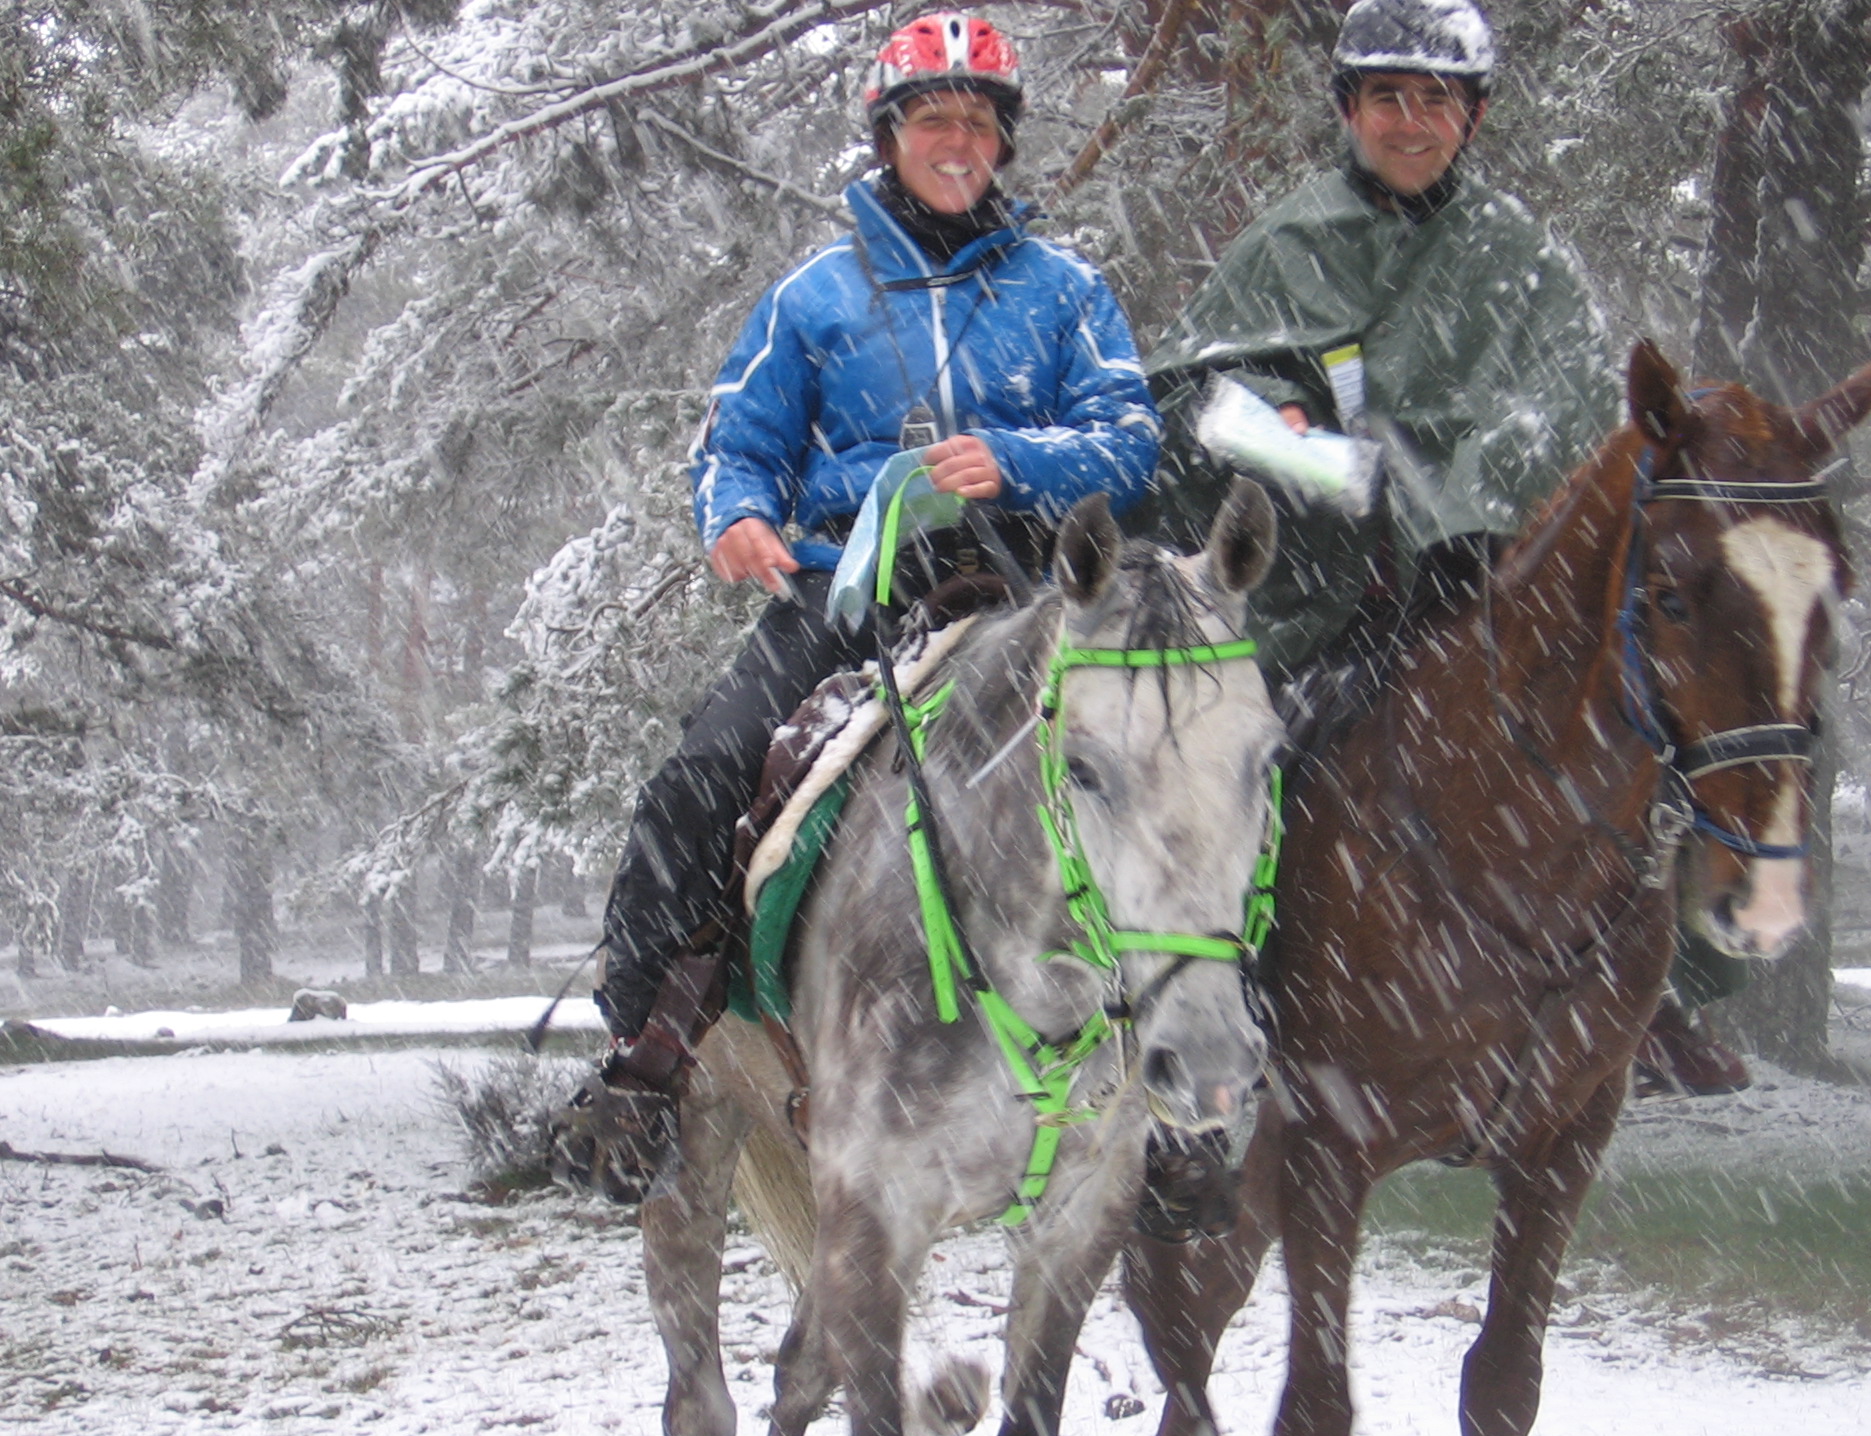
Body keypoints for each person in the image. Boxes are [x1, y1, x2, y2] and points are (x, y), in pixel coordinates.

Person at [1129, 0, 1742, 1234]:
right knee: (1242, 766)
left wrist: (1461, 503)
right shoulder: (1285, 245)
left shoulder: (1520, 257)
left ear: (1469, 117)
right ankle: (1211, 1009)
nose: (1411, 122)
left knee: (1647, 735)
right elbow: (1206, 410)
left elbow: (1563, 426)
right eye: (1387, 99)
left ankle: (1657, 983)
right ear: (1349, 111)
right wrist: (1340, 474)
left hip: (1487, 586)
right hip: (1326, 595)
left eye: (1435, 101)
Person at [557, 13, 1163, 1201]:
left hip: (1026, 596)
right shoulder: (813, 298)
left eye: (977, 123)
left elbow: (1129, 438)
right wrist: (732, 516)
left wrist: (1017, 461)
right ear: (889, 138)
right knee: (703, 775)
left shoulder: (1066, 293)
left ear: (1002, 144)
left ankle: (1191, 1060)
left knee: (1179, 765)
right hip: (850, 597)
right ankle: (646, 1059)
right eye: (932, 119)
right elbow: (737, 442)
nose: (956, 141)